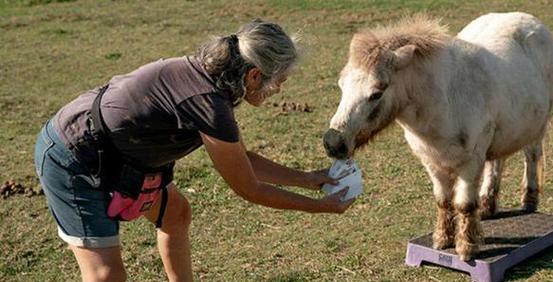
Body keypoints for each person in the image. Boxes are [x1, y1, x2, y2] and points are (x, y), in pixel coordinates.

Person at [33, 19, 354, 282]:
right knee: (105, 275)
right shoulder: (208, 104)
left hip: (122, 152)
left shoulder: (213, 84)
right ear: (255, 75)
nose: (280, 89)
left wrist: (313, 180)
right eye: (280, 80)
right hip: (74, 154)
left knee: (175, 214)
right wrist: (323, 208)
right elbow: (249, 189)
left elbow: (246, 162)